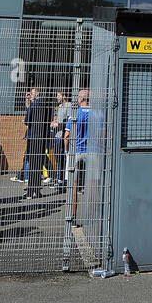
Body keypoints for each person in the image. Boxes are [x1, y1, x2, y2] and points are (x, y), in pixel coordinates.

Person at [66, 89, 91, 225]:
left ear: (80, 99)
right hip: (92, 152)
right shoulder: (97, 113)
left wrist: (66, 151)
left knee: (74, 185)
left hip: (77, 151)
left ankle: (73, 217)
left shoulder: (75, 114)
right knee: (92, 185)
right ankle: (92, 218)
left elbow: (67, 136)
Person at [22, 87, 51, 200]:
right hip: (43, 137)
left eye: (33, 93)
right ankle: (37, 190)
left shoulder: (34, 105)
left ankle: (30, 191)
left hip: (33, 136)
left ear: (37, 93)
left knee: (32, 162)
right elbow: (48, 120)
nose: (31, 95)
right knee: (39, 163)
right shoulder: (48, 105)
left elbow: (27, 121)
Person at [49, 90, 73, 188]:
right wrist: (54, 122)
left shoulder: (69, 106)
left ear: (64, 96)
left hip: (63, 136)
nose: (57, 97)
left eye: (59, 95)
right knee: (58, 157)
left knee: (62, 158)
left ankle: (62, 180)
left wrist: (58, 124)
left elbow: (69, 121)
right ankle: (59, 177)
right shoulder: (60, 107)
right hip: (57, 135)